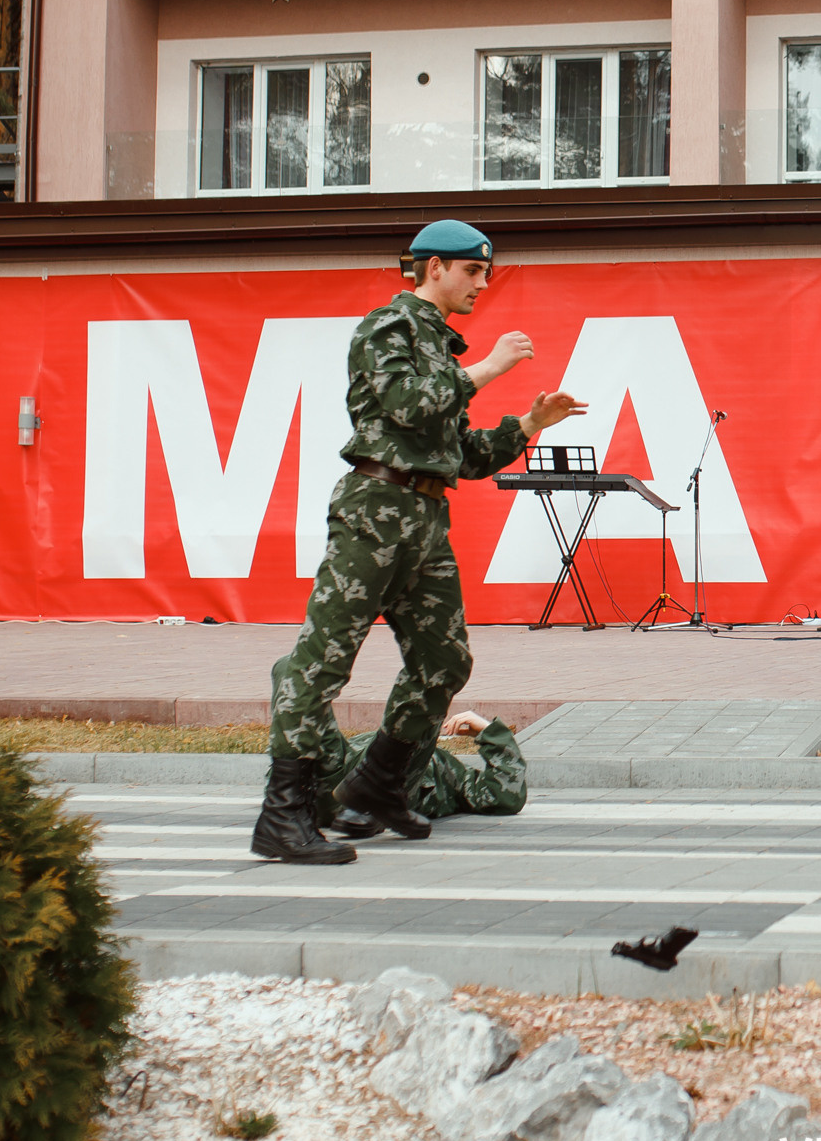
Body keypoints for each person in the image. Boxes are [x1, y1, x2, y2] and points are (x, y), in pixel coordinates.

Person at [250, 219, 584, 866]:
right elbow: (406, 403)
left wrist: (527, 424)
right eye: (472, 271)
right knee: (321, 662)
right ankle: (282, 814)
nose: (482, 284)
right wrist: (488, 369)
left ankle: (377, 787)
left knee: (445, 661)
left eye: (486, 272)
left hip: (426, 516)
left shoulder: (440, 347)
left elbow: (464, 455)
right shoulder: (387, 329)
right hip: (375, 510)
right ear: (434, 268)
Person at [317, 709, 528, 838]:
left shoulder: (456, 776)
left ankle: (369, 804)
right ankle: (287, 804)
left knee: (424, 714)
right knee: (292, 671)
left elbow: (506, 795)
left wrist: (489, 731)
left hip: (381, 793)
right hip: (333, 779)